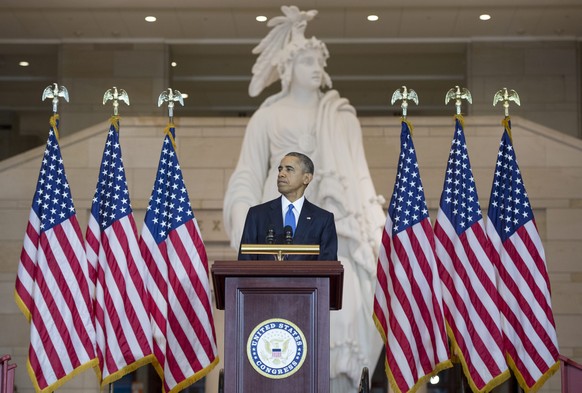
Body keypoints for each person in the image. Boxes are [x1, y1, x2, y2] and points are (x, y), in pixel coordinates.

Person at [223, 6, 386, 392]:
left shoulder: (340, 115)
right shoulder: (268, 116)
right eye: (308, 60)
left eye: (320, 61)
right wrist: (243, 221)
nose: (317, 67)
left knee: (342, 311)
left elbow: (360, 176)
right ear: (288, 67)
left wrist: (375, 231)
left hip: (333, 223)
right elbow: (246, 173)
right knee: (276, 323)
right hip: (271, 237)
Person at [238, 152, 337, 261]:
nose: (281, 174)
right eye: (280, 169)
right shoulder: (257, 215)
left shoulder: (323, 219)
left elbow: (329, 266)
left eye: (289, 169)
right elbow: (245, 261)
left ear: (306, 178)